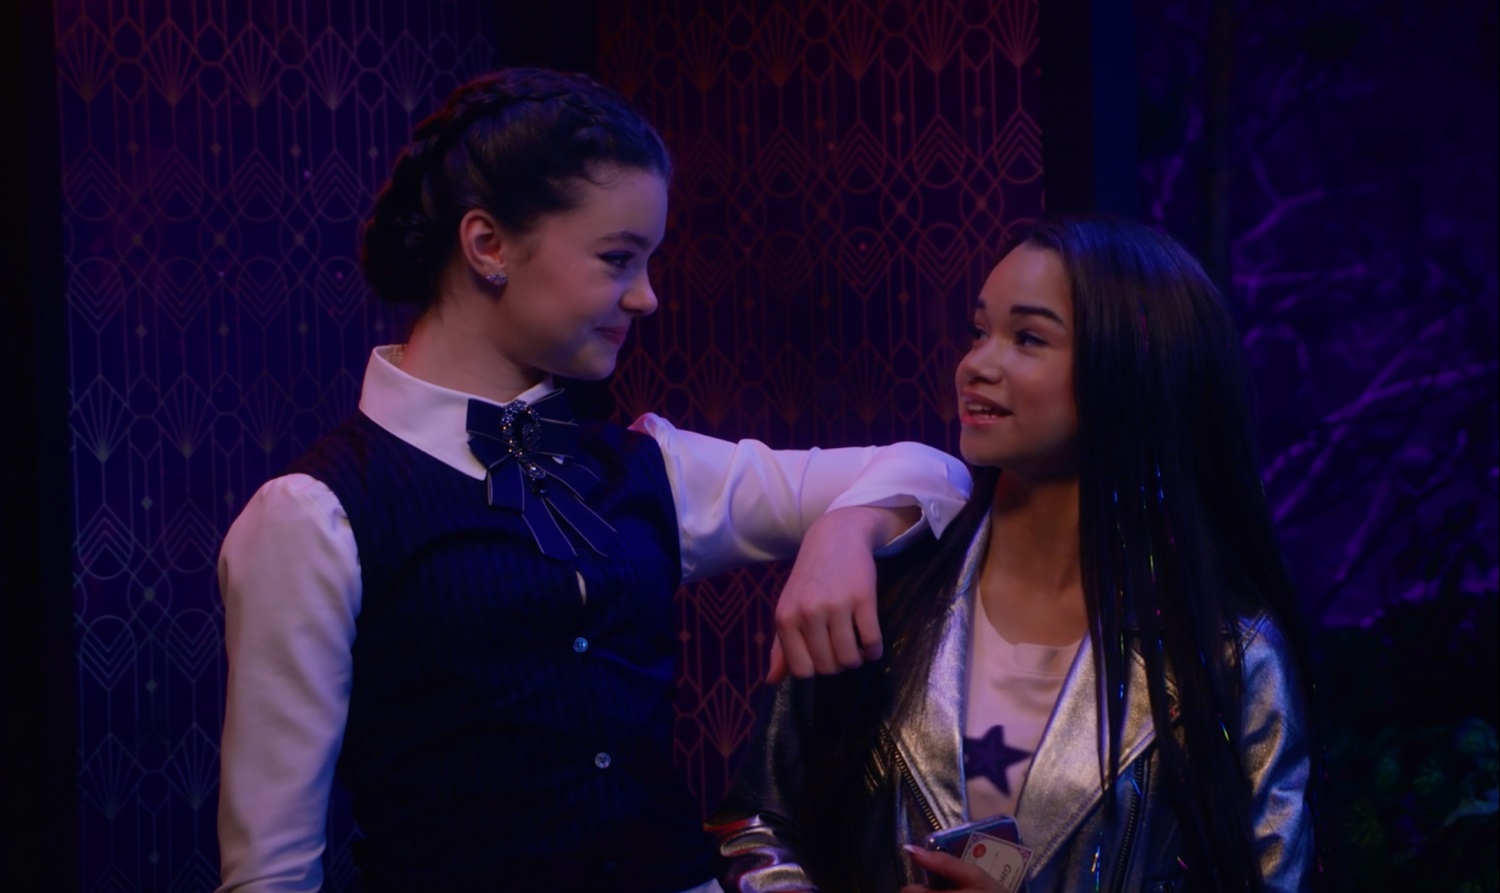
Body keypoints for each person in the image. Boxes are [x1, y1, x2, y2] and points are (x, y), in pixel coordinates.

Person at [215, 68, 971, 893]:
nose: (647, 297)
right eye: (618, 259)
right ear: (488, 245)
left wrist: (843, 533)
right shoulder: (314, 513)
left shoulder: (648, 464)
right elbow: (270, 875)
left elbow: (935, 471)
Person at [708, 216, 1320, 893]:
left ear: (1134, 369)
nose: (975, 364)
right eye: (979, 332)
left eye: (1027, 338)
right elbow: (754, 830)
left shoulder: (1231, 654)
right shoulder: (874, 593)